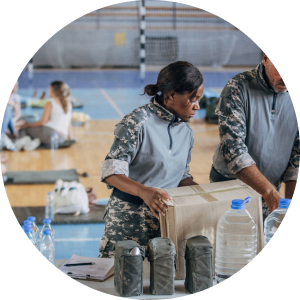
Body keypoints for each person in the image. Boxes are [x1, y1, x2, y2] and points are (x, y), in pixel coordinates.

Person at [99, 61, 204, 258]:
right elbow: (111, 172)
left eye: (199, 99)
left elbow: (181, 176)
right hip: (128, 221)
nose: (197, 106)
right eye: (193, 99)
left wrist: (203, 194)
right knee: (121, 281)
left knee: (160, 282)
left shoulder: (186, 132)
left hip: (165, 222)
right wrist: (144, 191)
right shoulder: (138, 122)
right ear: (172, 94)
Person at [210, 52, 299, 221]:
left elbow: (298, 157)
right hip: (230, 189)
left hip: (271, 190)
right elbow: (234, 150)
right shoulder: (237, 87)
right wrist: (269, 192)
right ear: (265, 58)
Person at [15, 81, 73, 151]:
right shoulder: (68, 103)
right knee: (35, 130)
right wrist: (70, 137)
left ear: (53, 90)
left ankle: (26, 142)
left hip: (49, 134)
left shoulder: (50, 102)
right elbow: (68, 122)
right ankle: (36, 141)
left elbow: (42, 122)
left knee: (24, 129)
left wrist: (27, 124)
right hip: (61, 138)